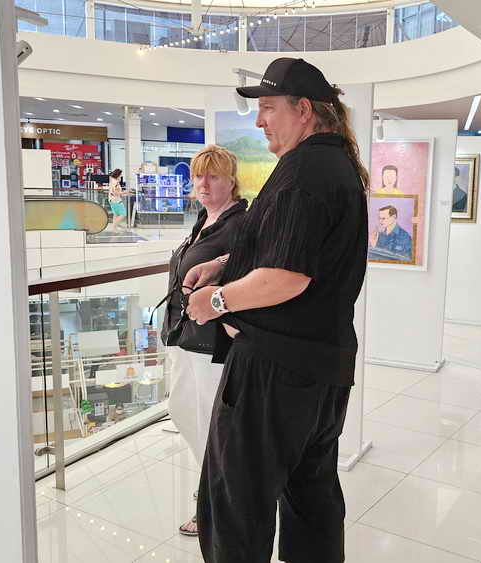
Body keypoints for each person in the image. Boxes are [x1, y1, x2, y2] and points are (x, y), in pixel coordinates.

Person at [182, 57, 368, 563]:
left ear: (304, 110)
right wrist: (224, 263)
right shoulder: (335, 165)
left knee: (236, 503)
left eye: (268, 108)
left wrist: (215, 301)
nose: (260, 121)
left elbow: (287, 276)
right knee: (311, 497)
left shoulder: (304, 171)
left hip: (274, 369)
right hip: (321, 364)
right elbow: (291, 248)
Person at [160, 146, 248, 538]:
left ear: (231, 180)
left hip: (213, 343)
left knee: (211, 425)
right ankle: (216, 492)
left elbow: (249, 271)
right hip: (185, 335)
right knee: (182, 411)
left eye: (213, 176)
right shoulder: (203, 220)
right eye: (198, 176)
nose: (204, 184)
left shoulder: (240, 223)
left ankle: (216, 503)